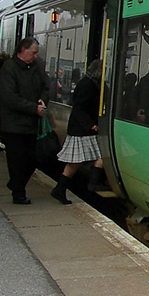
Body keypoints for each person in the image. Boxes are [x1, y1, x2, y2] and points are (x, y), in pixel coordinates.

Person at [0, 37, 49, 205]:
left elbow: (45, 87)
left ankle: (15, 184)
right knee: (16, 160)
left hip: (31, 123)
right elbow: (9, 97)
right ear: (22, 50)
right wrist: (32, 108)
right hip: (13, 124)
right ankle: (18, 193)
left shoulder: (37, 67)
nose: (35, 56)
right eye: (33, 53)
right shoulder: (9, 68)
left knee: (34, 159)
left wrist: (43, 100)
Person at [51, 59, 105, 204]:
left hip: (82, 129)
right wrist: (91, 125)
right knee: (95, 157)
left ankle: (61, 189)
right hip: (82, 130)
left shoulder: (90, 83)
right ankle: (92, 183)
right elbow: (79, 108)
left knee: (78, 162)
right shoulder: (88, 85)